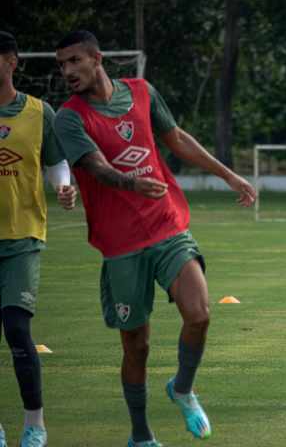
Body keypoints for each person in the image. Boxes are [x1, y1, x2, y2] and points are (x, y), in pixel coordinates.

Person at [53, 30, 255, 447]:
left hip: (167, 226)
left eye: (74, 61)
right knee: (137, 347)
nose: (67, 71)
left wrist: (229, 175)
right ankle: (141, 435)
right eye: (62, 65)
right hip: (120, 245)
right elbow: (93, 165)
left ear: (97, 58)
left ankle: (182, 388)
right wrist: (131, 183)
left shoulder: (142, 92)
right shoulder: (68, 117)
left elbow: (177, 139)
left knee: (199, 313)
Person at [0, 31, 76, 447]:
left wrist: (63, 186)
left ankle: (34, 424)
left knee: (15, 328)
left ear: (12, 61)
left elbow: (56, 163)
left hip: (22, 237)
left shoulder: (38, 112)